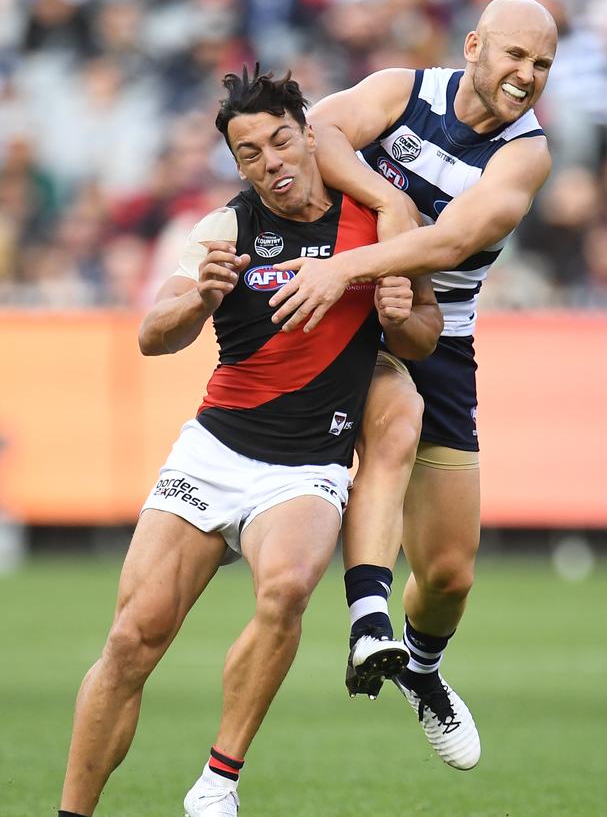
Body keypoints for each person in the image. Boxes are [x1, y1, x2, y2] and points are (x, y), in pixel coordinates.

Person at [57, 66, 441, 817]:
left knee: (290, 585)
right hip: (216, 450)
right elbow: (150, 335)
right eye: (250, 153)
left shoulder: (382, 218)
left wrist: (400, 313)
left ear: (309, 134)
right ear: (236, 165)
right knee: (133, 638)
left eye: (280, 139)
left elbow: (422, 334)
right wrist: (197, 298)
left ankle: (217, 780)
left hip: (308, 464)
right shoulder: (225, 229)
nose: (272, 162)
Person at [268, 0, 558, 772]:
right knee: (386, 433)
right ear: (473, 46)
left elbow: (458, 237)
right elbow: (315, 131)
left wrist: (351, 264)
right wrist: (388, 203)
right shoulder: (404, 90)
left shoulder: (526, 154)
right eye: (515, 57)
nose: (527, 77)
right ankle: (365, 613)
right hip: (345, 316)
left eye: (542, 66)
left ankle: (422, 671)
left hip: (439, 340)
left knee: (452, 573)